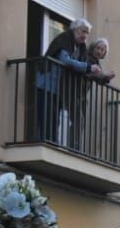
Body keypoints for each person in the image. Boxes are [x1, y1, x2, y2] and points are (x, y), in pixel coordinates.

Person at [36, 17, 92, 146]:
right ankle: (47, 143)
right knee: (46, 115)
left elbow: (82, 63)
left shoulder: (79, 47)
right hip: (47, 83)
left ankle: (53, 143)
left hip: (59, 87)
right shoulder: (65, 39)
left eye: (87, 33)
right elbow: (65, 60)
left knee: (54, 118)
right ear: (75, 30)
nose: (85, 35)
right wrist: (87, 67)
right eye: (83, 31)